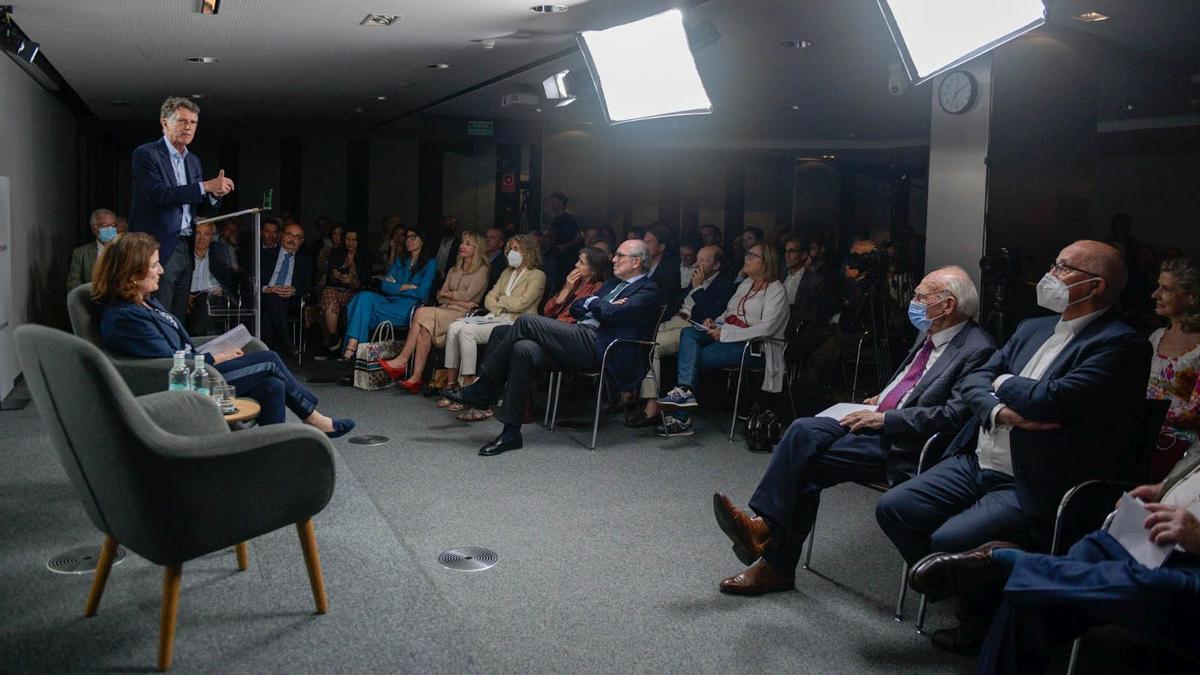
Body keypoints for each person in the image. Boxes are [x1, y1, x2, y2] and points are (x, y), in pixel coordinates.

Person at [875, 240, 1152, 653]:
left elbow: (1050, 400)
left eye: (1063, 267)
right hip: (977, 456)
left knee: (950, 538)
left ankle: (981, 615)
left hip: (1030, 477)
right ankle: (973, 589)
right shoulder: (1032, 328)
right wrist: (1001, 411)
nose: (1050, 274)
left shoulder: (1122, 344)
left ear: (1095, 287)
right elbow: (972, 382)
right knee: (895, 508)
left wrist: (1002, 383)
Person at [712, 267, 996, 595]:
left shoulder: (978, 349)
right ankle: (765, 536)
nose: (913, 303)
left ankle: (771, 553)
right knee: (802, 430)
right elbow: (911, 381)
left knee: (806, 468)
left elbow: (953, 417)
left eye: (920, 296)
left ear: (947, 306)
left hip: (907, 444)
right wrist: (885, 397)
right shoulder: (929, 332)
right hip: (877, 419)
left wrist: (886, 419)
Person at [907, 451, 1200, 675]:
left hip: (1190, 564)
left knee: (1151, 586)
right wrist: (1162, 488)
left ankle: (1015, 563)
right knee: (1038, 591)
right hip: (1155, 537)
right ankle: (1025, 567)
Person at [93, 233, 353, 437]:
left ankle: (270, 456)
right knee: (269, 359)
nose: (161, 270)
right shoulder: (125, 317)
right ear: (131, 272)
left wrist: (213, 352)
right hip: (187, 384)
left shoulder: (144, 301)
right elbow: (167, 368)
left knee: (273, 386)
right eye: (154, 265)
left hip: (198, 366)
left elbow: (177, 348)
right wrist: (214, 357)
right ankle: (316, 419)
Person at [449, 239, 660, 456]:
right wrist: (596, 304)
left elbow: (609, 313)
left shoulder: (648, 290)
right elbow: (578, 306)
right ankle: (511, 433)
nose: (614, 259)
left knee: (526, 321)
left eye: (620, 256)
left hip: (601, 347)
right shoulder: (612, 285)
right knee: (522, 347)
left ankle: (484, 387)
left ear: (636, 262)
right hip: (579, 338)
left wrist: (595, 305)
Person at [656, 243, 790, 437]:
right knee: (689, 333)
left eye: (753, 255)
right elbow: (729, 313)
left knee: (693, 358)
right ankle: (685, 392)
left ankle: (681, 415)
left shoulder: (776, 290)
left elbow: (766, 328)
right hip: (726, 334)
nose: (747, 258)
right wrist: (715, 323)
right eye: (747, 253)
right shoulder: (745, 284)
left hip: (753, 347)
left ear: (766, 262)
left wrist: (724, 334)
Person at [128, 97, 234, 321]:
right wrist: (205, 186)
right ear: (164, 122)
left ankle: (177, 357)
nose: (188, 127)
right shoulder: (146, 154)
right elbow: (157, 195)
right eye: (182, 121)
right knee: (159, 314)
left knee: (177, 317)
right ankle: (159, 356)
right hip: (157, 247)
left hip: (186, 245)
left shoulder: (193, 161)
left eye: (193, 122)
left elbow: (196, 202)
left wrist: (214, 194)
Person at [440, 234, 547, 421]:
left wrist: (501, 301)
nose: (511, 252)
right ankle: (452, 385)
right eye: (510, 249)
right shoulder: (506, 273)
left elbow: (522, 304)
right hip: (495, 317)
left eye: (516, 249)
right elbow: (489, 299)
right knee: (455, 326)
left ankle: (469, 387)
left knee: (466, 331)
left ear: (527, 251)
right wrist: (502, 303)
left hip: (516, 323)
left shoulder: (537, 275)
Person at [634, 245, 736, 426]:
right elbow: (680, 301)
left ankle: (652, 406)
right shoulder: (697, 276)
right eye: (698, 258)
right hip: (675, 319)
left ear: (717, 265)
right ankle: (628, 395)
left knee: (653, 345)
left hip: (694, 327)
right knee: (638, 336)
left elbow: (711, 315)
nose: (697, 263)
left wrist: (698, 289)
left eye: (704, 260)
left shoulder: (725, 285)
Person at [377, 232, 490, 394]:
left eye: (467, 243)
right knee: (424, 329)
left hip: (464, 314)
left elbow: (468, 296)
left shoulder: (482, 270)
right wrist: (453, 298)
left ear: (476, 248)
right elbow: (439, 294)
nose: (462, 246)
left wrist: (450, 296)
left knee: (421, 312)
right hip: (444, 310)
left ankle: (402, 360)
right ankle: (415, 377)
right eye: (462, 243)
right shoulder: (453, 269)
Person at [340, 227, 436, 360]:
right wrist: (404, 286)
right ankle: (354, 347)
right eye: (407, 237)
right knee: (364, 297)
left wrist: (395, 286)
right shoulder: (400, 260)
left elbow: (421, 292)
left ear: (422, 241)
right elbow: (385, 286)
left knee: (362, 311)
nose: (409, 240)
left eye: (414, 237)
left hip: (407, 308)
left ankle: (352, 351)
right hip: (389, 301)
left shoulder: (430, 264)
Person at [1146, 257, 1200, 479]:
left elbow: (1193, 415)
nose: (1155, 295)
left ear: (1191, 297)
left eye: (1166, 289)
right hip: (1144, 439)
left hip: (1183, 453)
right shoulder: (1156, 337)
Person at [259, 223, 314, 355]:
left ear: (301, 241)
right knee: (271, 299)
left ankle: (267, 354)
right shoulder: (265, 255)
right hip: (266, 297)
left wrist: (294, 290)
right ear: (281, 236)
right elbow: (251, 279)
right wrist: (266, 289)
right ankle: (287, 342)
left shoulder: (305, 260)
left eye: (297, 237)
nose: (292, 239)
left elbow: (309, 286)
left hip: (291, 301)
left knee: (267, 315)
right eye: (289, 234)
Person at [316, 228, 370, 356]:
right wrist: (335, 275)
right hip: (336, 289)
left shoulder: (365, 255)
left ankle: (334, 343)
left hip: (355, 292)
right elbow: (329, 276)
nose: (350, 243)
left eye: (354, 240)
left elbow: (366, 281)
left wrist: (352, 281)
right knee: (328, 293)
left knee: (332, 297)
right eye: (347, 239)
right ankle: (334, 337)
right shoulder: (336, 252)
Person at [185, 221, 237, 336]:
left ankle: (197, 341)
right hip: (188, 295)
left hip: (212, 296)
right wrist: (184, 296)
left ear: (212, 237)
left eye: (206, 234)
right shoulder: (184, 253)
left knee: (203, 302)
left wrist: (222, 289)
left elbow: (229, 279)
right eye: (198, 233)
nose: (201, 238)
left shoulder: (218, 252)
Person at [68, 208, 119, 291]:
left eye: (113, 225)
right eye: (104, 225)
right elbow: (73, 282)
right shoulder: (81, 253)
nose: (110, 228)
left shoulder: (126, 250)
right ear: (94, 228)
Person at [643, 224, 683, 313]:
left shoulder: (670, 270)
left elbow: (665, 300)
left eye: (649, 242)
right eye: (644, 242)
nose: (644, 246)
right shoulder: (639, 264)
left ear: (661, 247)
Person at [548, 190, 582, 282]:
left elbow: (579, 236)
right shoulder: (555, 219)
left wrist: (566, 246)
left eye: (554, 201)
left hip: (568, 255)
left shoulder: (569, 218)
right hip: (557, 254)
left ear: (561, 202)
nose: (552, 204)